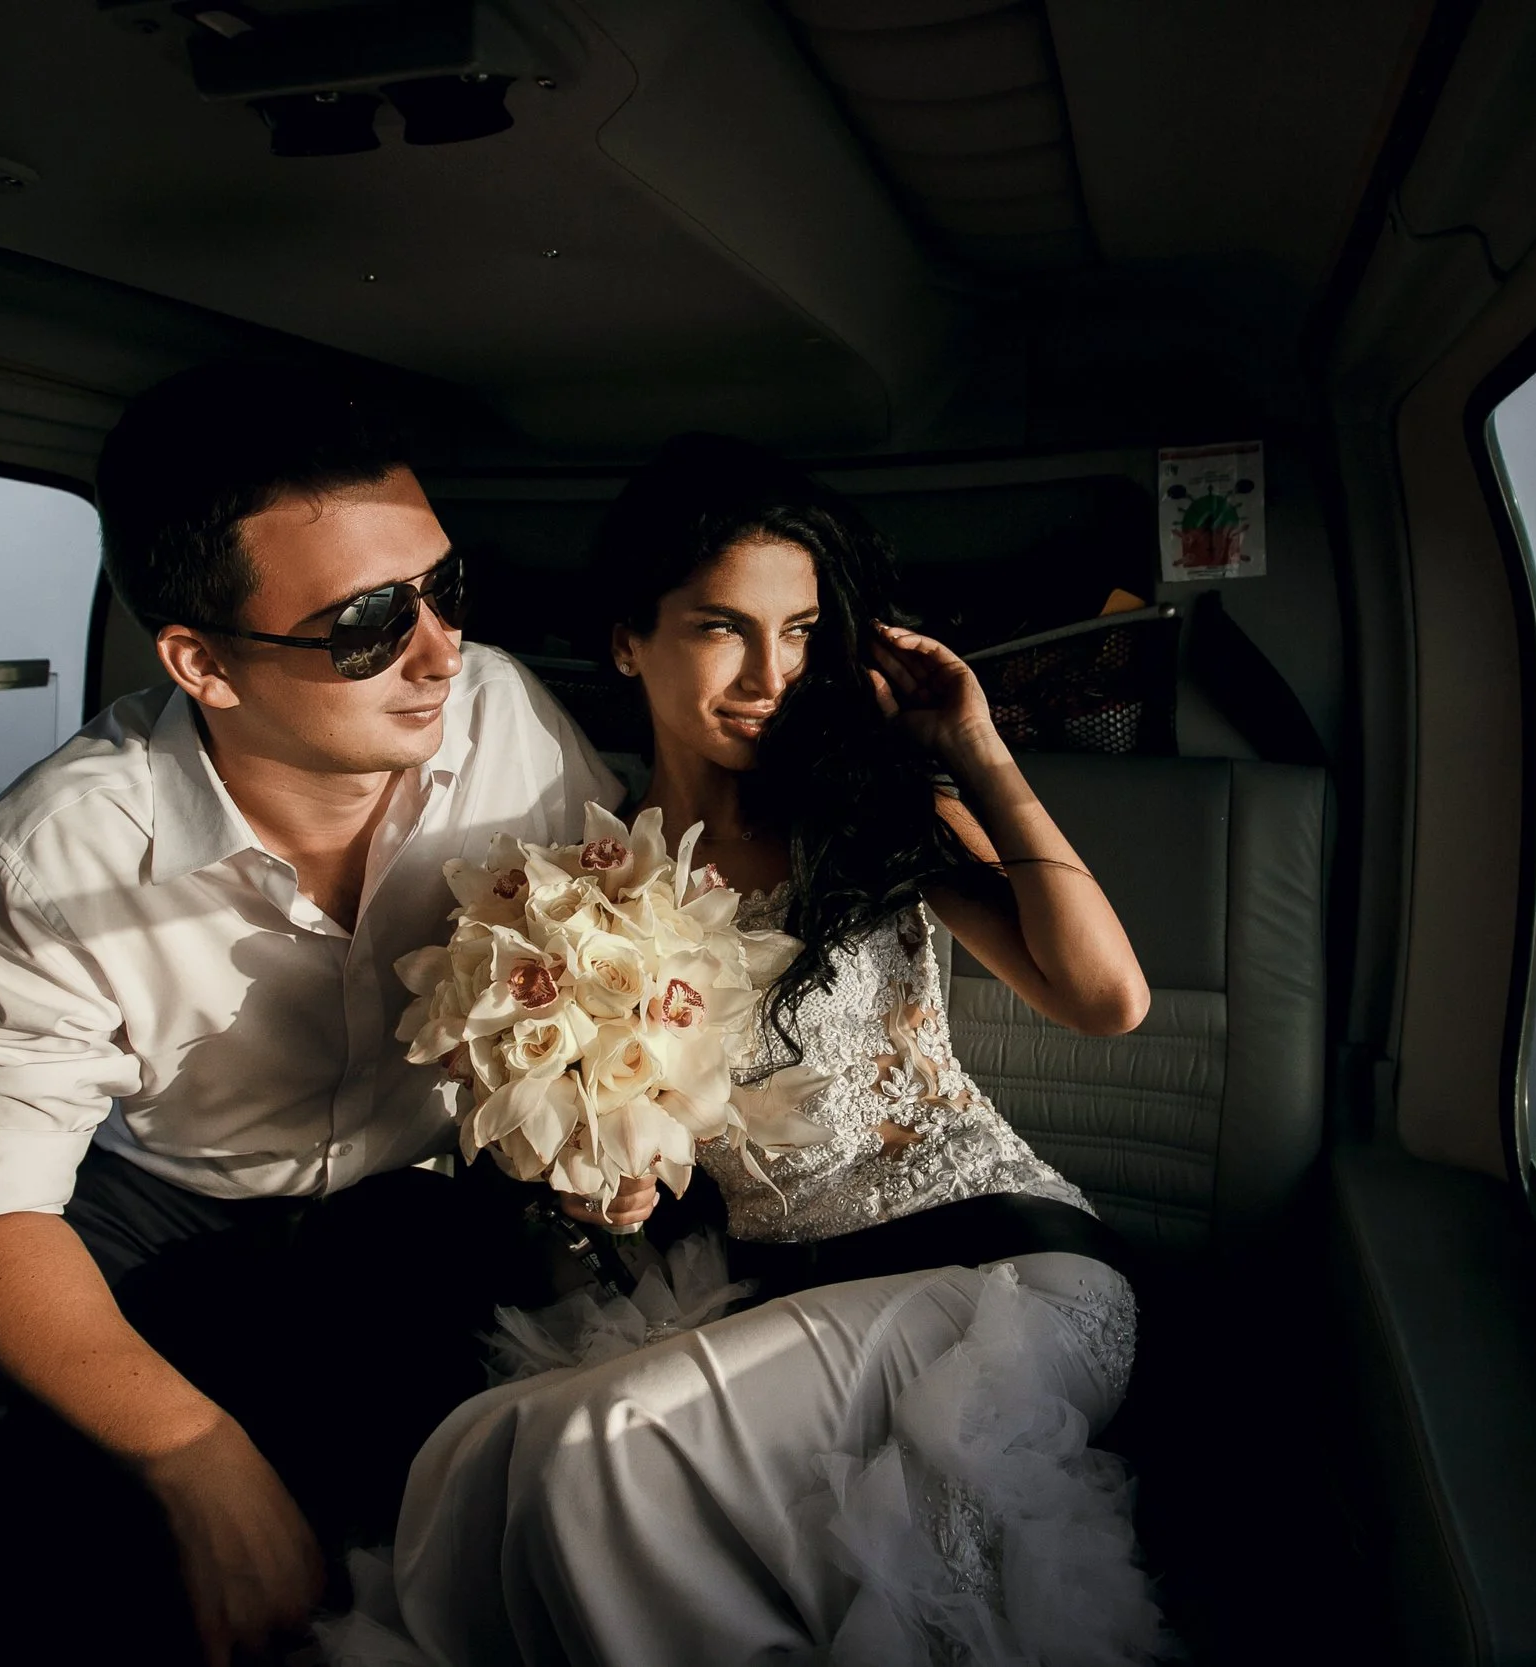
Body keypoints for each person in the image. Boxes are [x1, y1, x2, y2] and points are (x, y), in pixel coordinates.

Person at [343, 435, 1172, 1666]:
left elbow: (1108, 1000)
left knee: (603, 1449)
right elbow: (631, 1159)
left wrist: (974, 748)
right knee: (483, 1456)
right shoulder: (577, 886)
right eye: (722, 627)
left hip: (998, 1271)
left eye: (798, 632)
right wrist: (610, 1188)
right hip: (771, 1293)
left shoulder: (871, 810)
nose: (767, 672)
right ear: (630, 636)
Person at [0, 361, 620, 1664]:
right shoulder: (52, 855)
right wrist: (193, 1453)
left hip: (419, 1186)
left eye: (445, 588)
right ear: (201, 662)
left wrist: (592, 1126)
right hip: (160, 1197)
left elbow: (600, 932)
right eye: (367, 622)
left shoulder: (505, 715)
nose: (441, 652)